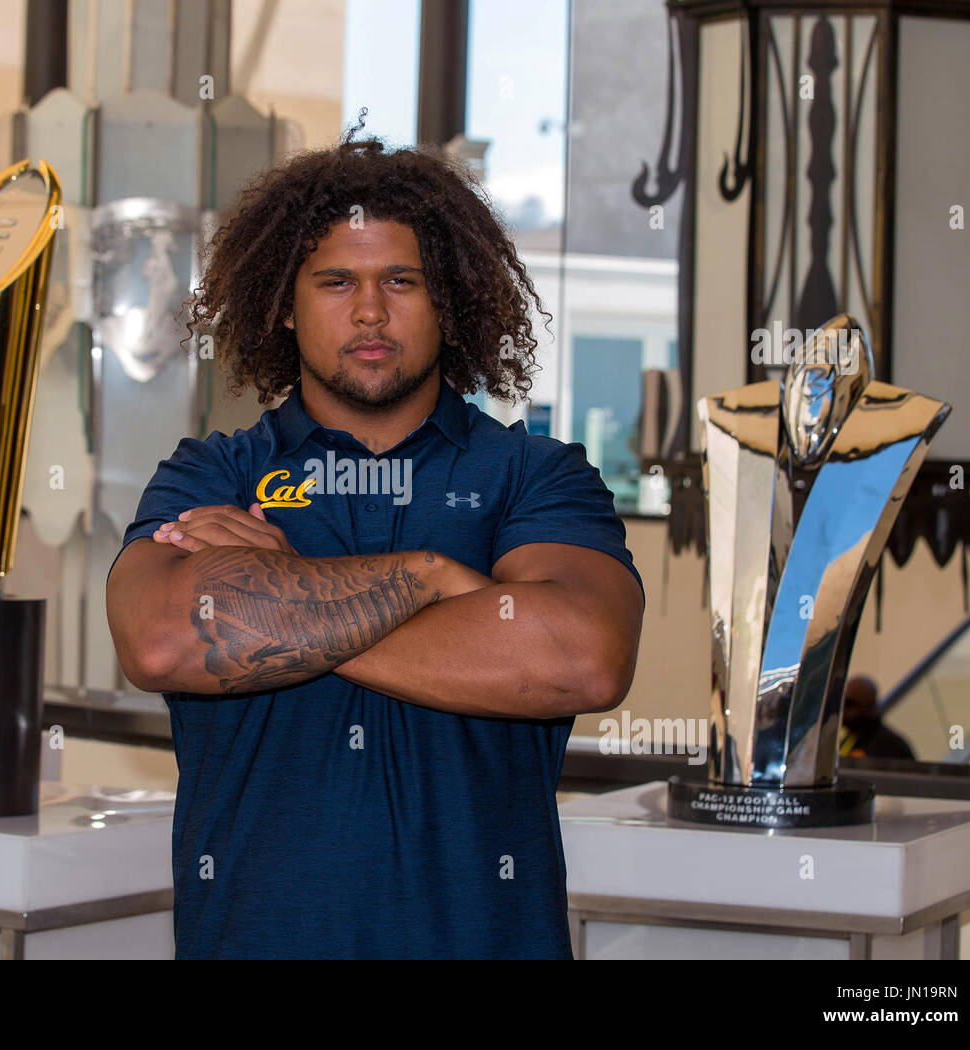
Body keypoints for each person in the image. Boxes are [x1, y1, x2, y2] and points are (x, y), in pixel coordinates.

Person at [105, 124, 645, 959]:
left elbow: (582, 658)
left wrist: (284, 588)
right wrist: (431, 577)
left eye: (402, 280)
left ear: (448, 302)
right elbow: (163, 640)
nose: (369, 311)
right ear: (285, 305)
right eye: (335, 282)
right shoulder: (212, 477)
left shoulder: (534, 476)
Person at [839, 674, 915, 760]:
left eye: (850, 704)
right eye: (842, 704)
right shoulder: (849, 739)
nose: (843, 710)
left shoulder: (890, 746)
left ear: (869, 705)